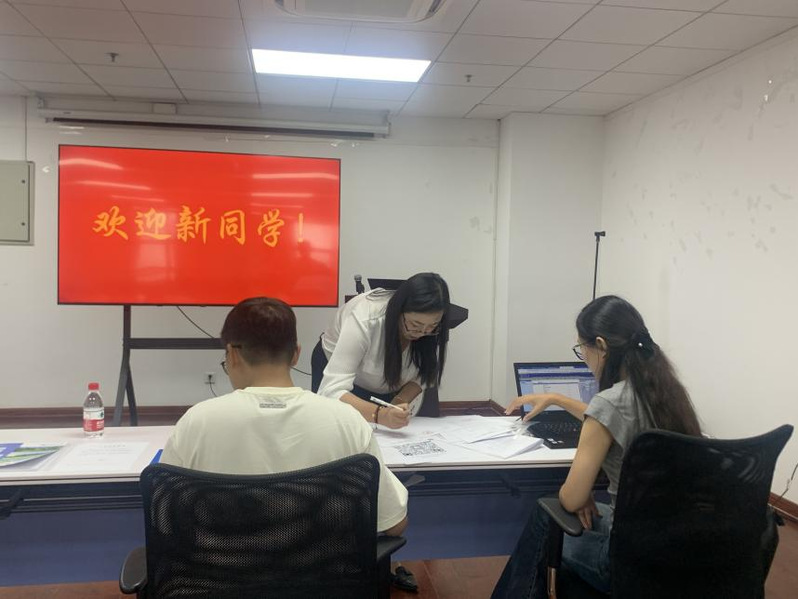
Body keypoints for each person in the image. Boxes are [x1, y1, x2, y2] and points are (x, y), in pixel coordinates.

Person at [491, 295, 702, 598]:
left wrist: (581, 493)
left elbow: (570, 499)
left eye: (582, 349)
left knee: (545, 514)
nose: (585, 359)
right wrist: (557, 398)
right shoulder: (669, 395)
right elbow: (610, 415)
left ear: (601, 346)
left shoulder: (610, 401)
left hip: (625, 561)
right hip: (685, 550)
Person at [160, 297, 408, 536]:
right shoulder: (347, 421)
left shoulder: (197, 422)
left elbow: (165, 521)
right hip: (321, 565)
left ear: (232, 355)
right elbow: (394, 523)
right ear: (296, 354)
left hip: (222, 565)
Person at [312, 272, 451, 430]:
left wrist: (399, 401)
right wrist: (379, 415)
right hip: (337, 372)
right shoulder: (365, 319)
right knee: (337, 427)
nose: (421, 333)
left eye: (432, 326)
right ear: (399, 311)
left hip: (383, 382)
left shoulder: (429, 331)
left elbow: (424, 375)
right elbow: (331, 391)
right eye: (415, 324)